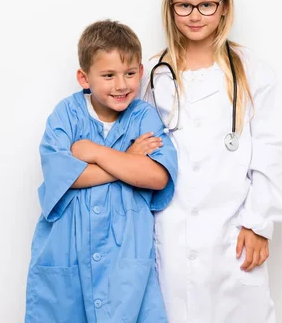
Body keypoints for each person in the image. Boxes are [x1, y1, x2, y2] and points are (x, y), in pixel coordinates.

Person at [141, 0, 282, 322]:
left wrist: (259, 223)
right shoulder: (151, 73)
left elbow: (274, 149)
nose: (195, 15)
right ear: (171, 8)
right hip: (167, 233)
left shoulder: (252, 71)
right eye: (184, 5)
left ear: (224, 6)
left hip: (232, 234)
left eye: (206, 5)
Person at [25, 20, 177, 323]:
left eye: (130, 73)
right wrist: (127, 161)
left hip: (126, 258)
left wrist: (94, 153)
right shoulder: (65, 115)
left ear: (141, 72)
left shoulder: (145, 116)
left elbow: (157, 176)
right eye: (108, 75)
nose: (121, 85)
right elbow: (62, 178)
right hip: (68, 252)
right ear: (84, 77)